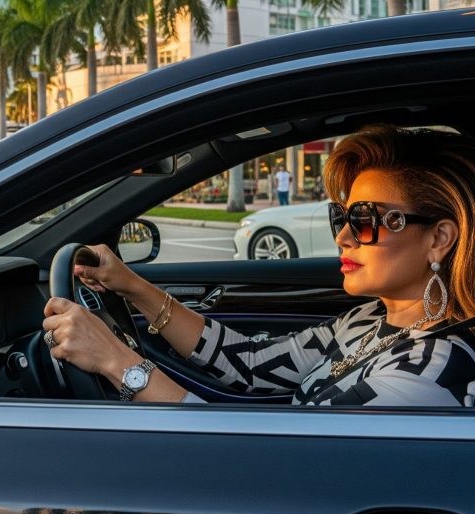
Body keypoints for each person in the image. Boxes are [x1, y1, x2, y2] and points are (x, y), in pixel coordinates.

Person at [43, 125, 475, 406]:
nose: (342, 235)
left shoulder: (431, 374)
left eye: (363, 220)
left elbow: (261, 471)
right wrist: (130, 284)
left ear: (438, 239)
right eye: (340, 217)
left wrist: (115, 361)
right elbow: (249, 363)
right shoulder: (369, 320)